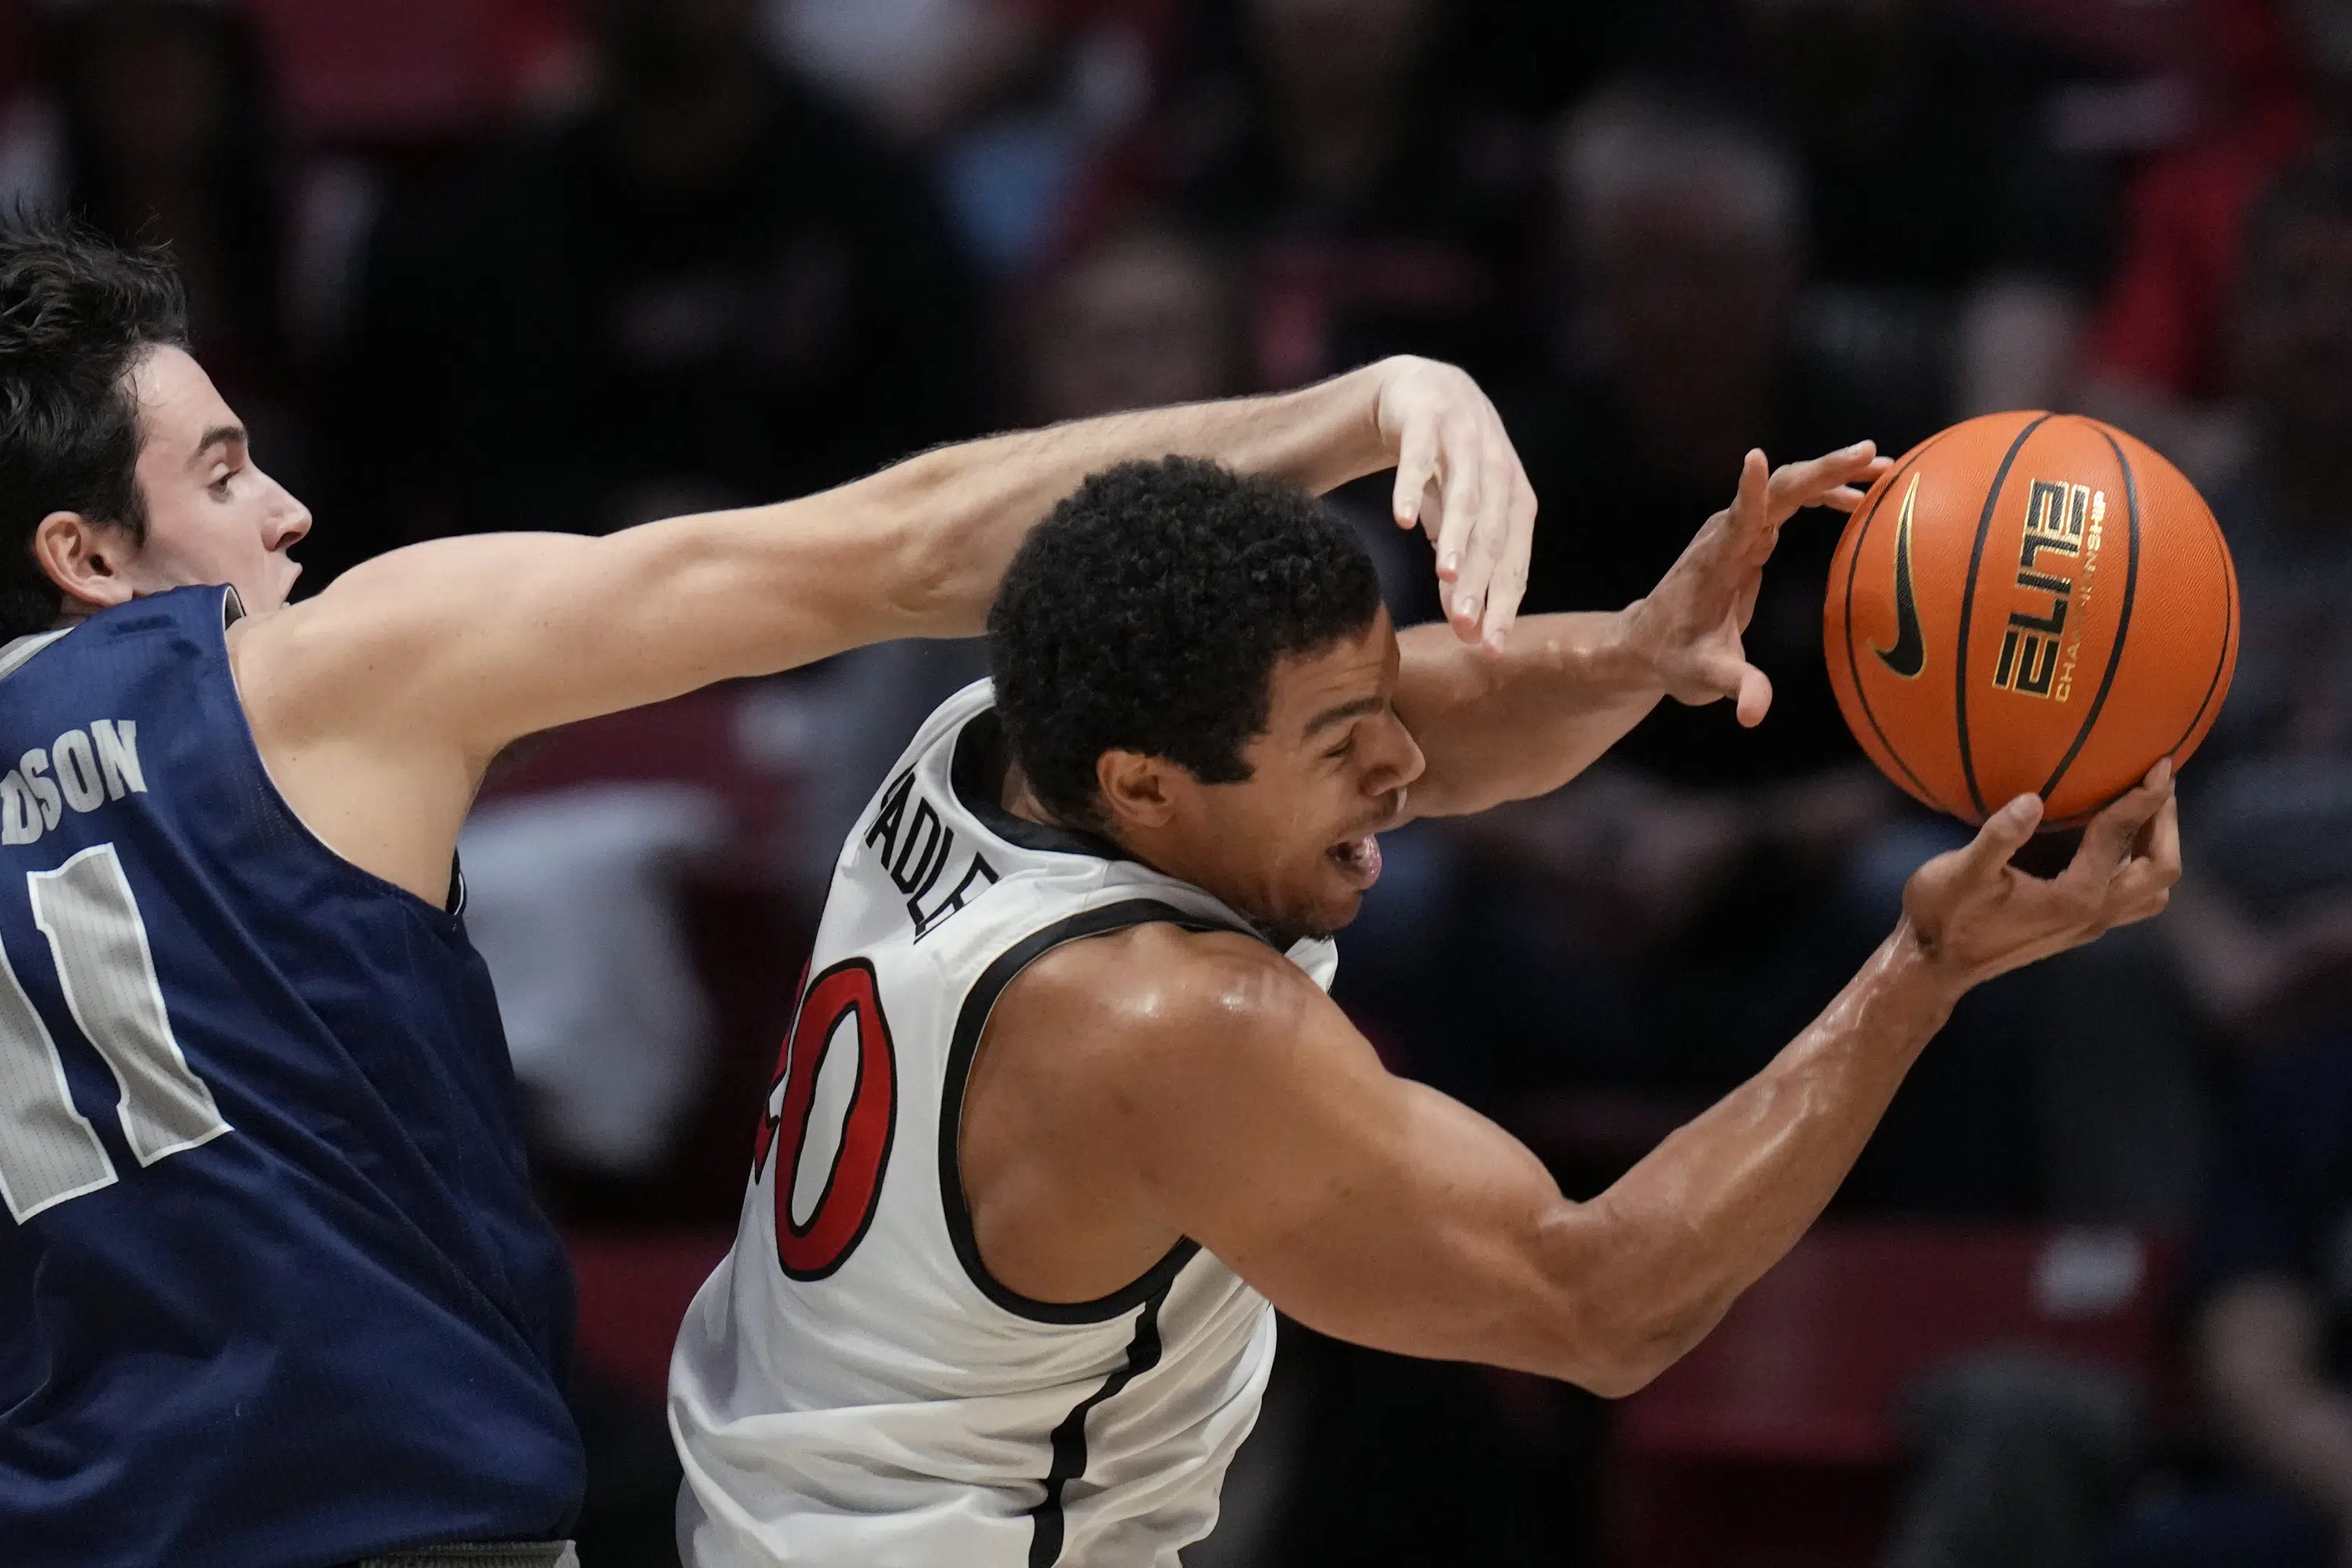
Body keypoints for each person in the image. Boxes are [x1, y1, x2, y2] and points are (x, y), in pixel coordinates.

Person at [0, 212, 1530, 1567]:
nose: (285, 511)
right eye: (218, 474)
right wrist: (1354, 412)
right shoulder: (318, 675)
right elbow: (900, 549)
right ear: (84, 556)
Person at [670, 448, 2183, 1565]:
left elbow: (1426, 713)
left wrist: (1644, 648)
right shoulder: (1171, 1022)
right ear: (1145, 786)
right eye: (1346, 742)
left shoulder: (998, 737)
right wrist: (1924, 974)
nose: (1402, 766)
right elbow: (1603, 1305)